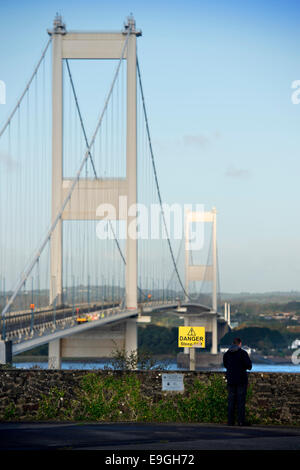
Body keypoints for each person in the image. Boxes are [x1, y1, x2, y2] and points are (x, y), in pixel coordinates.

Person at [223, 337, 252, 426]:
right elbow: (249, 366)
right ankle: (240, 421)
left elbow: (225, 365)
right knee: (240, 401)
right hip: (241, 380)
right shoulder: (243, 353)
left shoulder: (227, 354)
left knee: (231, 401)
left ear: (233, 343)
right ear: (240, 344)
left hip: (231, 379)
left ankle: (230, 421)